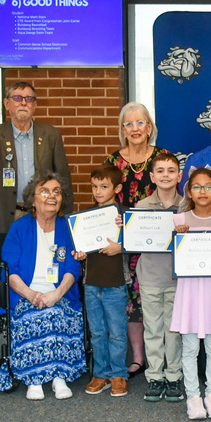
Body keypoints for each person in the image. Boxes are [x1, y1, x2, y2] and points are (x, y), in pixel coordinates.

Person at [0, 172, 85, 400]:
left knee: (55, 312)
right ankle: (34, 378)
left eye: (56, 192)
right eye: (44, 192)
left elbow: (73, 270)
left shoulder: (69, 228)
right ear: (32, 200)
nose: (51, 196)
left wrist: (55, 294)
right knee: (33, 315)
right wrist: (32, 295)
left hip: (60, 294)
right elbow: (11, 273)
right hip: (24, 294)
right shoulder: (19, 228)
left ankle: (58, 377)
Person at [105, 102, 174, 376]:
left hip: (157, 242)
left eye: (140, 123)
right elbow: (105, 198)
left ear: (149, 127)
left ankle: (166, 356)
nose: (135, 129)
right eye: (129, 124)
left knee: (159, 298)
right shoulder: (113, 161)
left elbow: (172, 195)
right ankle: (138, 356)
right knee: (131, 299)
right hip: (123, 242)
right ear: (123, 129)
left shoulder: (162, 157)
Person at [171, 168, 211, 420]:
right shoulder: (180, 222)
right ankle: (193, 396)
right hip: (190, 292)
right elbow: (175, 261)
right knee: (189, 348)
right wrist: (177, 239)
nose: (202, 192)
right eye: (197, 187)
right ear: (188, 191)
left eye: (208, 187)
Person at [0, 80, 73, 252]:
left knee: (44, 263)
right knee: (9, 267)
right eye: (17, 98)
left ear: (35, 105)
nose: (23, 102)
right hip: (6, 217)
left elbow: (63, 180)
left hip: (45, 215)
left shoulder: (51, 135)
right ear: (7, 104)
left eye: (29, 99)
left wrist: (63, 217)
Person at [73, 164, 128, 398]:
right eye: (94, 186)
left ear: (116, 188)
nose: (98, 191)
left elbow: (137, 244)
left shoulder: (124, 216)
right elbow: (80, 248)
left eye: (104, 187)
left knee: (116, 331)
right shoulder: (86, 217)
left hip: (115, 283)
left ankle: (119, 374)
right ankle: (101, 373)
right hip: (92, 283)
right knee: (97, 332)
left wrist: (122, 245)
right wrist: (80, 254)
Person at [135, 152, 185, 403]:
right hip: (151, 277)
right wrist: (126, 226)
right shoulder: (141, 208)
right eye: (161, 171)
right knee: (153, 329)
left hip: (178, 280)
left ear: (179, 175)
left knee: (174, 330)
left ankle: (175, 377)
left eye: (171, 170)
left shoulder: (187, 206)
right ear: (152, 177)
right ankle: (155, 376)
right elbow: (133, 241)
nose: (166, 175)